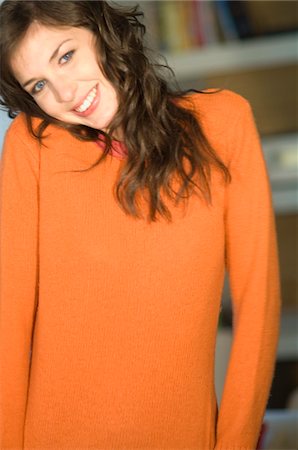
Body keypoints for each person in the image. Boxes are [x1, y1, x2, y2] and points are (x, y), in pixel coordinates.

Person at [0, 1, 281, 449]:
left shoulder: (223, 125)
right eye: (39, 84)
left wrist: (235, 442)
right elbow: (7, 321)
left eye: (66, 56)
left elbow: (259, 306)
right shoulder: (33, 146)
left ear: (101, 32)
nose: (66, 93)